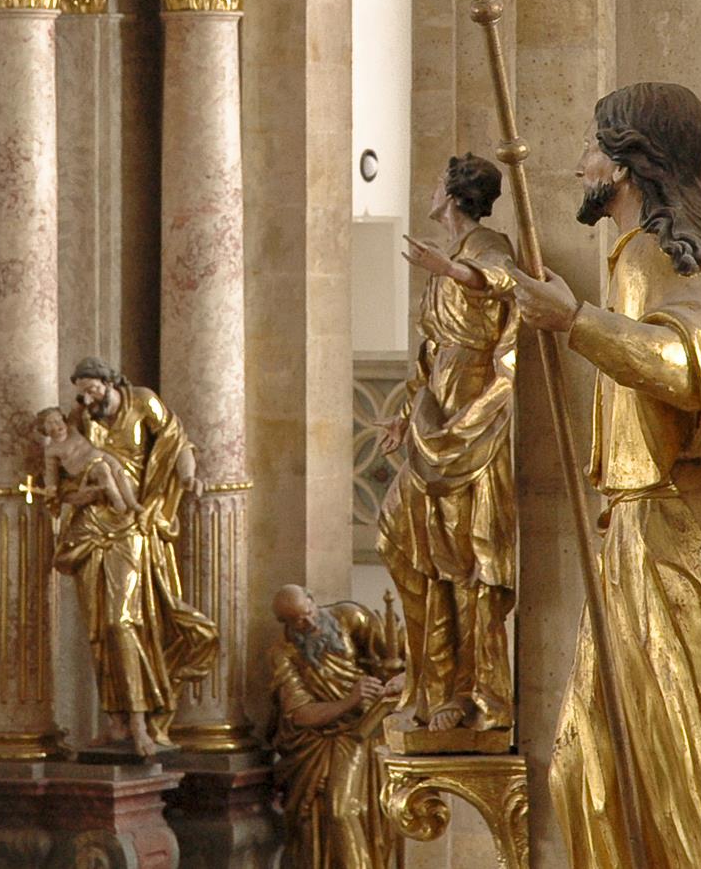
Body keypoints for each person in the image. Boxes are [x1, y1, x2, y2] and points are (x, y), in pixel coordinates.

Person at [502, 81, 701, 869]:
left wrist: (575, 322)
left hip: (678, 533)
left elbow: (691, 367)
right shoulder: (699, 240)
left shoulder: (655, 254)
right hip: (681, 527)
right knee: (613, 766)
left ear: (626, 162)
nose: (579, 166)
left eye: (592, 148)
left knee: (669, 773)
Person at [378, 152, 518, 735]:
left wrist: (454, 271)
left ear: (456, 195)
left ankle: (468, 692)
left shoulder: (485, 246)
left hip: (470, 422)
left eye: (439, 183)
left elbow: (507, 282)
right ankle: (430, 679)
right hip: (433, 415)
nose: (431, 192)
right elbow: (429, 352)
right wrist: (403, 415)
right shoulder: (450, 257)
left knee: (462, 564)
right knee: (399, 540)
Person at [55, 356, 218, 754]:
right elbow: (64, 483)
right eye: (82, 392)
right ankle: (116, 722)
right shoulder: (80, 420)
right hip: (89, 528)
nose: (88, 398)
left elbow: (176, 442)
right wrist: (83, 494)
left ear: (110, 382)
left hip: (132, 524)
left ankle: (143, 721)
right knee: (98, 629)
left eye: (93, 389)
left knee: (122, 621)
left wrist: (188, 476)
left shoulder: (143, 401)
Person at [266, 585, 405, 869]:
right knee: (341, 811)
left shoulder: (350, 618)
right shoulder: (282, 653)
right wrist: (350, 700)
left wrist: (396, 678)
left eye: (309, 612)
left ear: (312, 599)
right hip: (325, 739)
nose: (310, 622)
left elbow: (391, 656)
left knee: (360, 810)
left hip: (369, 727)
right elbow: (300, 714)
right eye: (299, 621)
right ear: (286, 624)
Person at [32, 406, 137, 514]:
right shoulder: (51, 450)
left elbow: (77, 411)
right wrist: (51, 488)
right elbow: (51, 472)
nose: (59, 424)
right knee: (103, 471)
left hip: (99, 455)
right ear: (45, 429)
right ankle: (118, 501)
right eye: (52, 422)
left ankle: (132, 502)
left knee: (118, 471)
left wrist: (84, 403)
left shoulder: (73, 428)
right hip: (84, 468)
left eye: (59, 419)